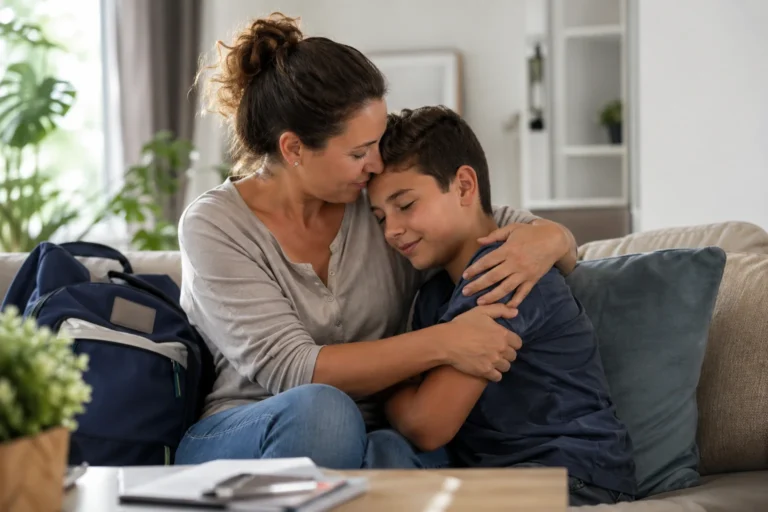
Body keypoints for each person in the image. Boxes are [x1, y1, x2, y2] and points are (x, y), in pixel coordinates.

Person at [175, 13, 579, 470]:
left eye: (377, 142)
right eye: (357, 152)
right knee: (325, 414)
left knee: (423, 455)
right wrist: (447, 341)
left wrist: (553, 237)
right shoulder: (214, 225)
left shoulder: (381, 211)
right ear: (294, 150)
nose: (376, 162)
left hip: (379, 439)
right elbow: (292, 370)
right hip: (254, 428)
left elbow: (489, 226)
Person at [367, 105, 636, 506]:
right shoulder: (433, 296)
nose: (392, 230)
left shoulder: (508, 272)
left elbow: (428, 425)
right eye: (379, 217)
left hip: (572, 473)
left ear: (463, 186)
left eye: (405, 205)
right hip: (494, 475)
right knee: (384, 455)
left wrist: (384, 388)